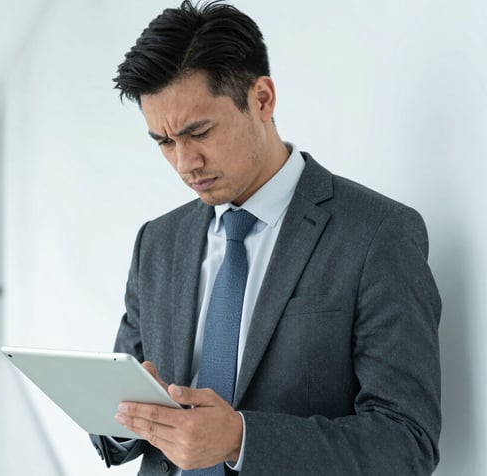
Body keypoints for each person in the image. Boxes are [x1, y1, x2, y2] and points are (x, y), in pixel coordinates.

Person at [89, 1, 442, 475]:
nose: (184, 163)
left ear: (262, 99)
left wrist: (241, 440)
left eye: (200, 132)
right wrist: (124, 419)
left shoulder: (378, 234)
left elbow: (407, 441)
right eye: (165, 142)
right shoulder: (157, 242)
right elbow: (119, 406)